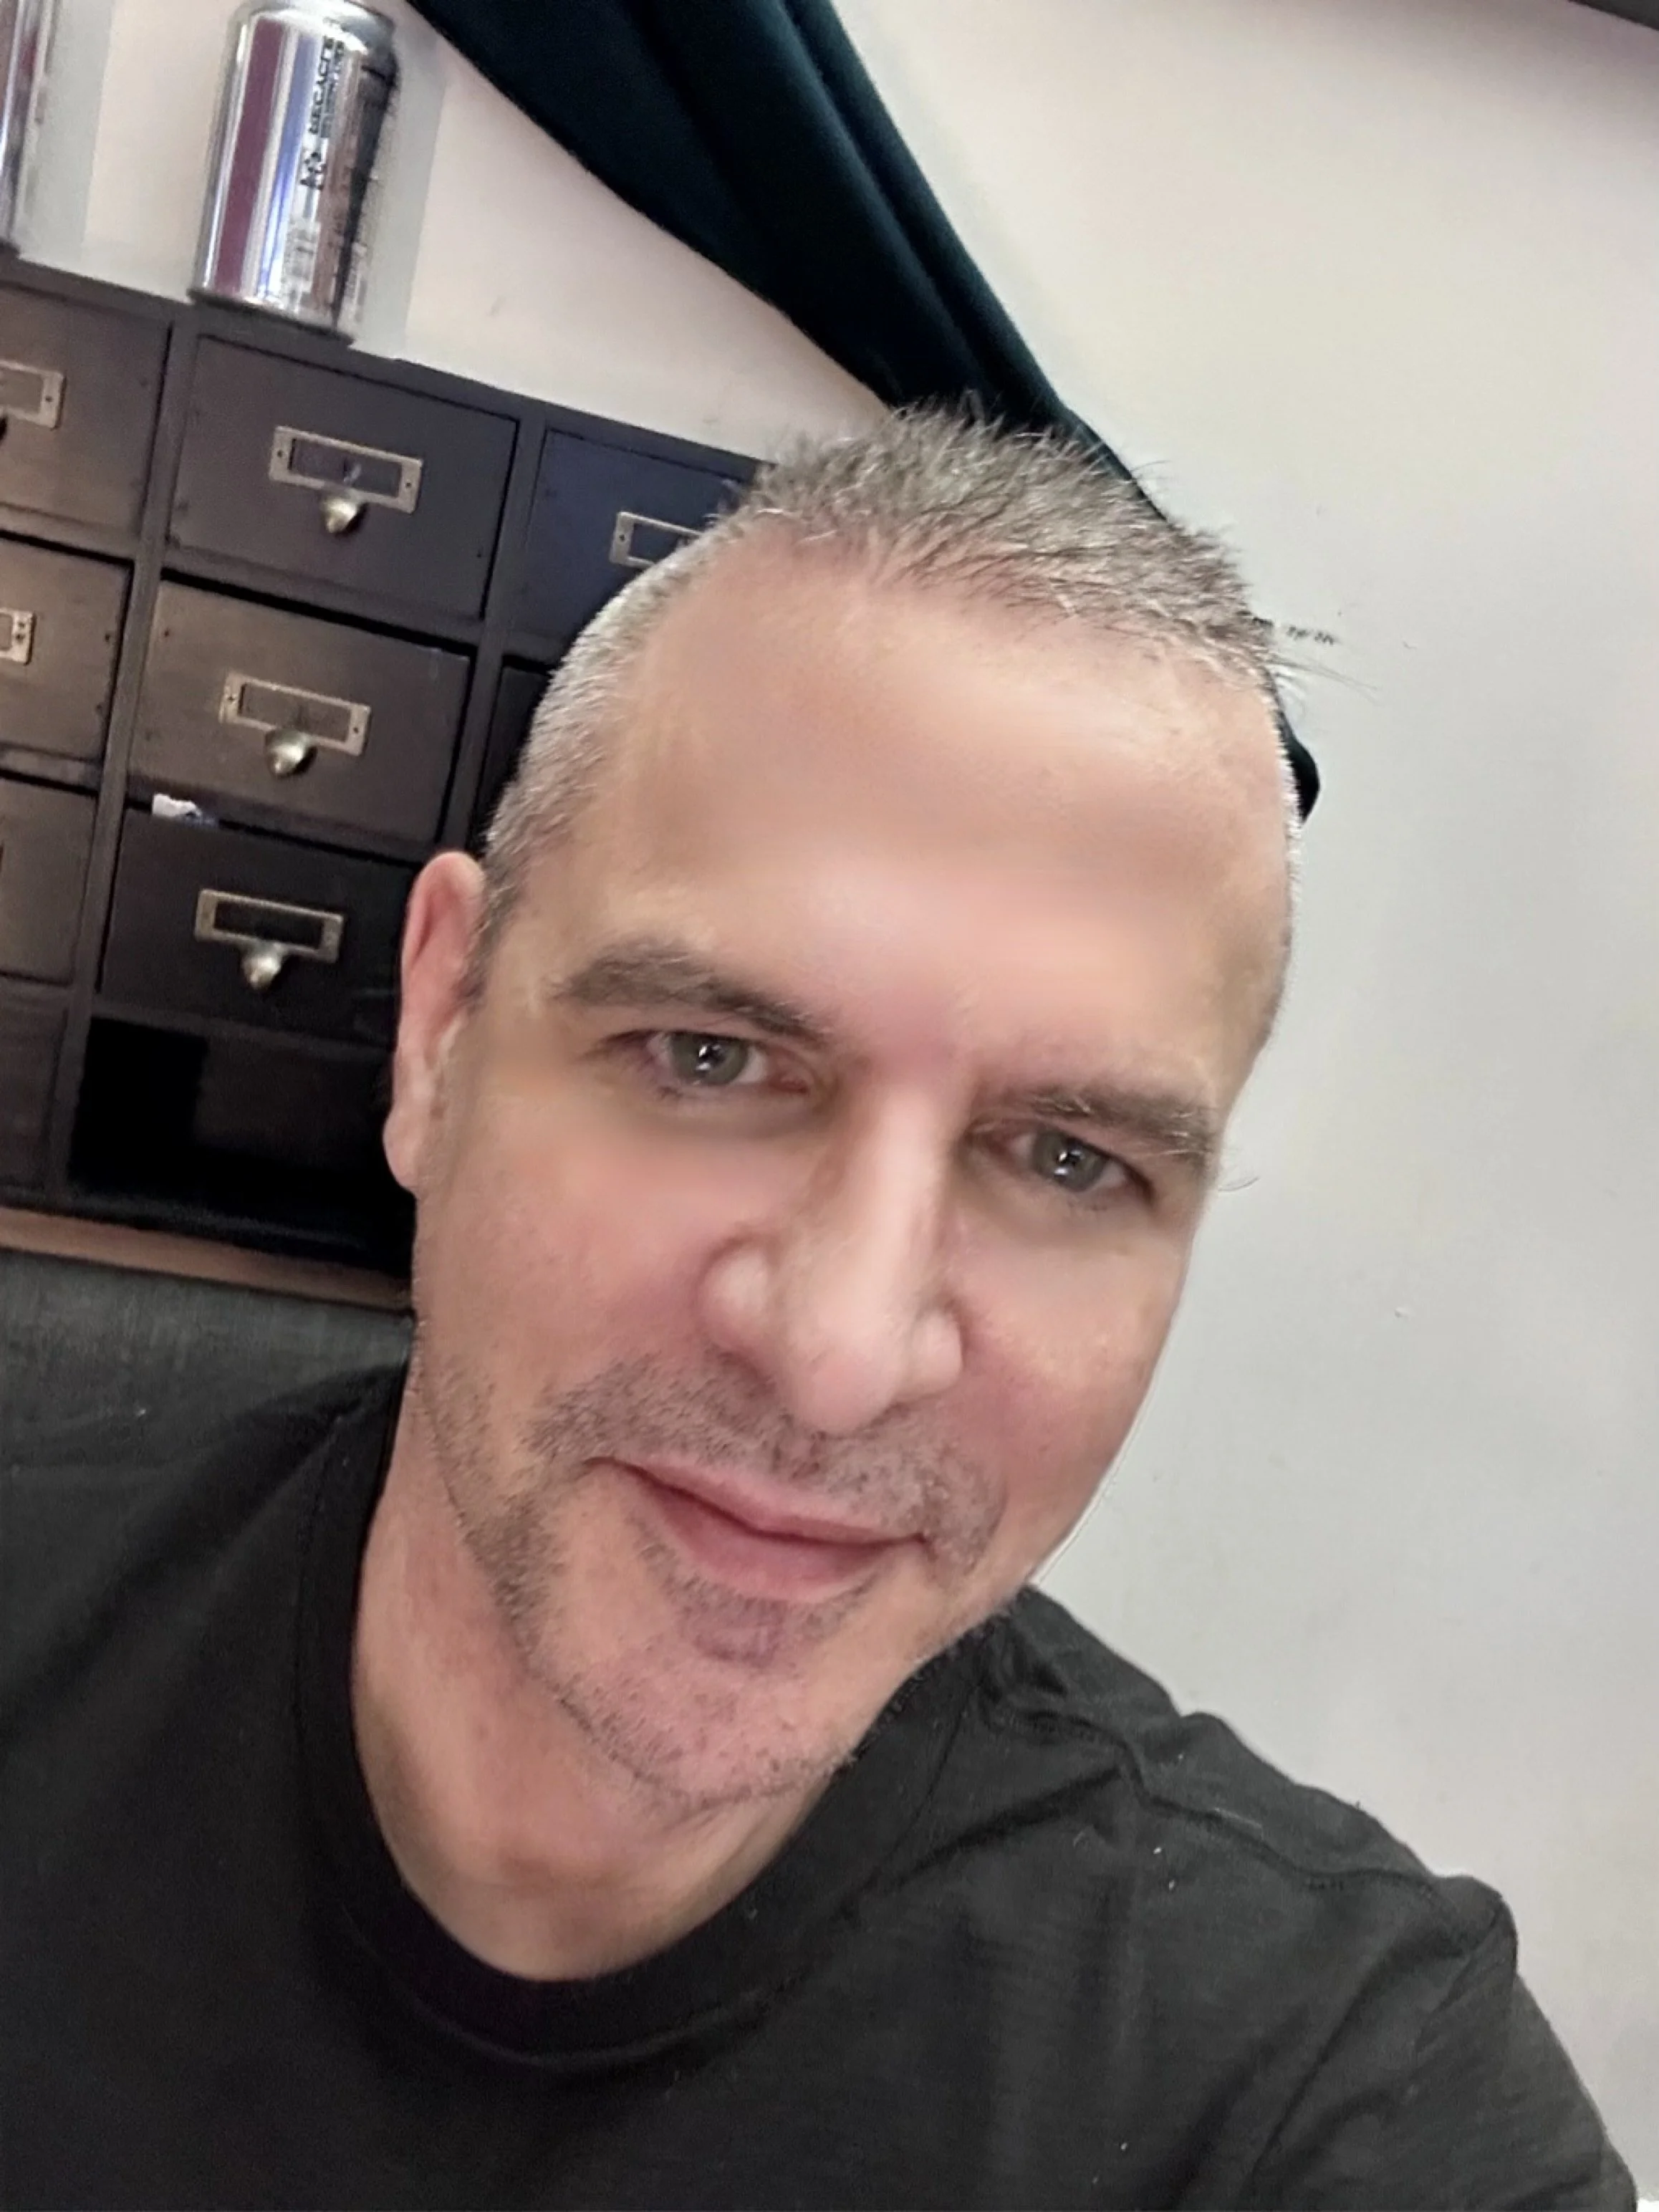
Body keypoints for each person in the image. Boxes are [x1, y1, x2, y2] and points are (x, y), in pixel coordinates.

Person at [1, 411, 1635, 2210]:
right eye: (713, 1057)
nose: (845, 1356)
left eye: (1072, 1156)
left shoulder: (1325, 2094)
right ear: (440, 1026)